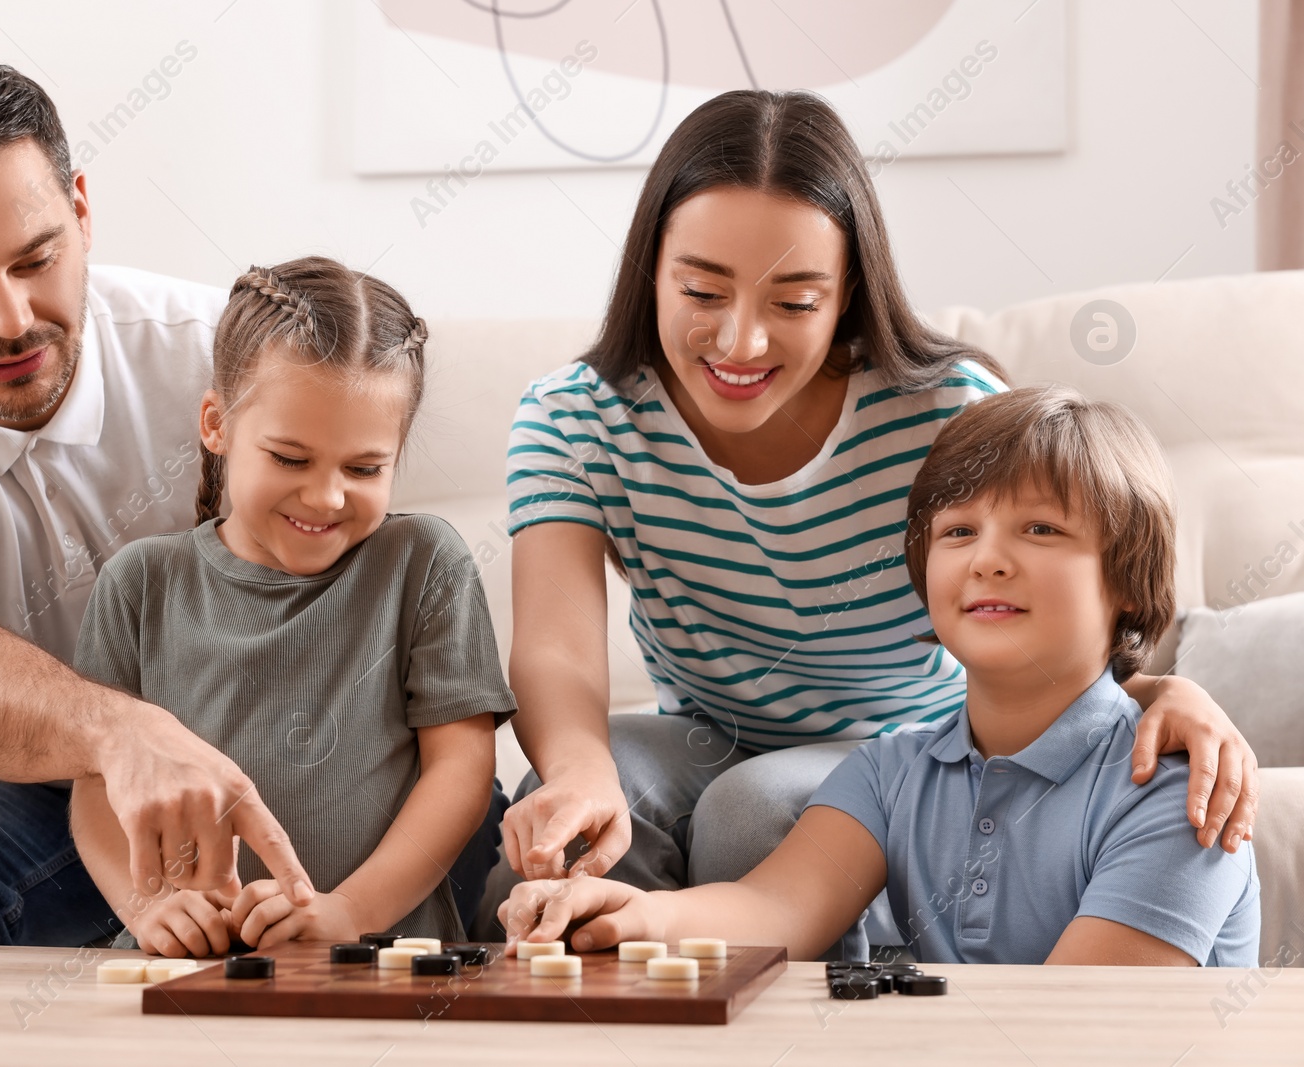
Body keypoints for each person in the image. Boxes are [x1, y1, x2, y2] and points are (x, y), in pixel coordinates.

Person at [0, 62, 504, 946]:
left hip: (302, 790)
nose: (9, 318)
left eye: (36, 259)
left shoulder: (234, 357)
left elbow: (361, 553)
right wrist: (120, 737)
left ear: (81, 210)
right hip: (30, 805)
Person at [487, 91, 1258, 931]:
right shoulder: (576, 416)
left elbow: (1061, 597)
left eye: (793, 303)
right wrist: (577, 769)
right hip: (702, 732)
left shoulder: (947, 412)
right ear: (651, 269)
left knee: (751, 808)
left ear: (848, 288)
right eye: (703, 290)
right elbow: (557, 646)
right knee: (580, 805)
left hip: (898, 750)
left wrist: (1157, 690)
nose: (741, 343)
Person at [500, 385, 1260, 967]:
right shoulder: (891, 770)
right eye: (958, 531)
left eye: (1040, 529)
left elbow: (1079, 1023)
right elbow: (771, 908)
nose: (987, 558)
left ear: (1128, 580)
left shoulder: (1182, 791)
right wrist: (639, 914)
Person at [70, 257, 514, 956]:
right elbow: (98, 790)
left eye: (364, 469)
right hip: (189, 964)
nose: (328, 497)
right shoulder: (140, 583)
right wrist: (150, 906)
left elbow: (462, 772)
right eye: (290, 458)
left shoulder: (424, 564)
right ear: (217, 424)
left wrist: (348, 912)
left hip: (380, 961)